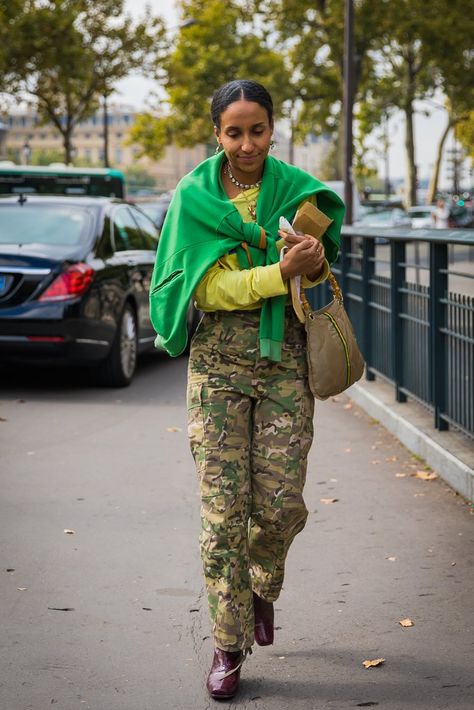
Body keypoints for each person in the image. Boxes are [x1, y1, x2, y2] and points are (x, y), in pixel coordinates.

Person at [149, 79, 345, 700]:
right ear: (217, 134)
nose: (246, 144)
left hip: (286, 362)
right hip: (217, 368)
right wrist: (275, 271)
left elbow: (318, 279)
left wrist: (312, 261)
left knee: (282, 503)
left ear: (271, 128)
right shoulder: (195, 197)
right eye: (233, 132)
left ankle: (261, 586)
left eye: (256, 130)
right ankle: (227, 645)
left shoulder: (297, 192)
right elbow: (203, 291)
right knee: (222, 514)